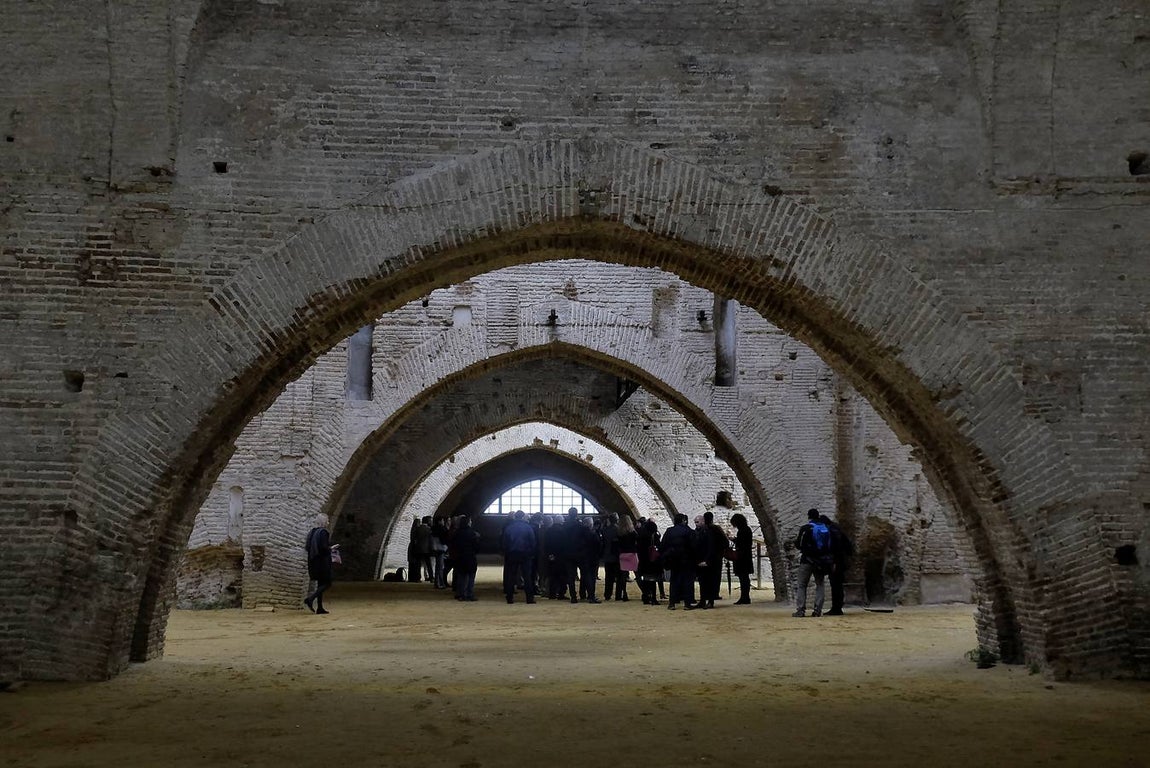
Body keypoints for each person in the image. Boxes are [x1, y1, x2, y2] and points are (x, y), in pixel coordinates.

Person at [793, 508, 832, 617]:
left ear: (809, 516)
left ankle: (801, 610)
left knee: (802, 585)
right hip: (821, 561)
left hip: (807, 560)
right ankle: (817, 610)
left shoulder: (806, 528)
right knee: (820, 584)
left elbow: (798, 544)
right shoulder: (825, 528)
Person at [659, 513, 696, 610]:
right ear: (684, 520)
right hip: (686, 559)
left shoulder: (669, 531)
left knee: (674, 580)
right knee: (687, 581)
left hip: (673, 559)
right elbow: (693, 547)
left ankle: (672, 603)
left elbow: (663, 545)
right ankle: (687, 604)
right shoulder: (688, 531)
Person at [820, 513, 854, 615]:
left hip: (837, 563)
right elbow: (848, 547)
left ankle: (836, 608)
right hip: (841, 562)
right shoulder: (837, 529)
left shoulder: (833, 531)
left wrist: (834, 562)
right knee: (837, 585)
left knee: (836, 585)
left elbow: (836, 548)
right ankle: (837, 607)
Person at [501, 510, 537, 604]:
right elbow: (533, 541)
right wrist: (531, 553)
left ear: (515, 517)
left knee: (511, 576)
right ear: (522, 517)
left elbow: (505, 542)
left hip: (512, 553)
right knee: (527, 577)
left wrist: (506, 552)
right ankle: (529, 598)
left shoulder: (509, 527)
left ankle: (509, 597)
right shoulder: (528, 527)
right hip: (525, 554)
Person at [304, 513, 336, 614]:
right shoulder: (323, 532)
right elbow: (323, 548)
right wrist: (331, 548)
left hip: (313, 562)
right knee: (327, 583)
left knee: (320, 584)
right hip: (322, 562)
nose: (328, 522)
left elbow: (307, 547)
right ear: (324, 522)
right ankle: (310, 599)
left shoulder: (312, 532)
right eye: (327, 520)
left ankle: (320, 607)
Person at [452, 516, 480, 601]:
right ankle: (469, 594)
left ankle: (460, 593)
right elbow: (476, 546)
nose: (471, 522)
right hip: (470, 556)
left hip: (460, 557)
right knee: (471, 576)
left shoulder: (457, 533)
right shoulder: (472, 533)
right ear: (468, 522)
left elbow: (454, 544)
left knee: (461, 576)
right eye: (470, 521)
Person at [636, 518, 662, 605]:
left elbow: (638, 549)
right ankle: (653, 598)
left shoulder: (641, 536)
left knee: (645, 579)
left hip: (643, 561)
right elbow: (659, 548)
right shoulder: (655, 537)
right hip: (653, 561)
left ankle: (646, 596)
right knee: (653, 580)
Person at [730, 513, 753, 605]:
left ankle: (745, 597)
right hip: (746, 556)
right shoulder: (746, 529)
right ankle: (745, 597)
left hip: (742, 557)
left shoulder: (743, 530)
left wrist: (733, 539)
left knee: (743, 578)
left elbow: (742, 543)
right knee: (744, 578)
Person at [615, 515, 638, 601]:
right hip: (632, 554)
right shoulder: (633, 532)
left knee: (623, 577)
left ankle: (624, 594)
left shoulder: (619, 533)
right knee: (637, 574)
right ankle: (645, 593)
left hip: (623, 554)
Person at [600, 513, 620, 601]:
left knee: (608, 577)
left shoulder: (604, 530)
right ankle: (618, 595)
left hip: (607, 555)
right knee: (619, 577)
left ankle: (607, 594)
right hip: (617, 556)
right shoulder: (619, 530)